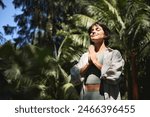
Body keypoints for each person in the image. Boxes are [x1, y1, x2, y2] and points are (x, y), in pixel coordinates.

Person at [70, 21, 125, 100]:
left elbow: (114, 74)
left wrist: (95, 62)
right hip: (86, 96)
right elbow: (74, 75)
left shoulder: (114, 54)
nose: (93, 32)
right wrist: (88, 63)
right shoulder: (85, 56)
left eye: (97, 29)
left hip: (105, 96)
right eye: (91, 31)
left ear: (105, 34)